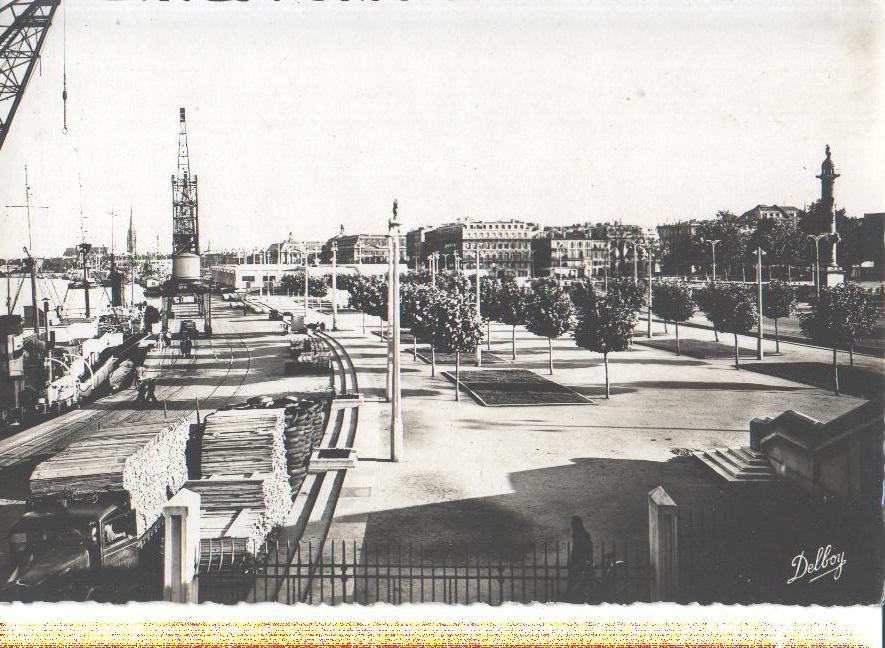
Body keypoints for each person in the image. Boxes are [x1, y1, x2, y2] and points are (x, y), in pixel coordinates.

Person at [566, 515, 594, 602]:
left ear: (577, 524)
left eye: (573, 523)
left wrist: (578, 561)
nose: (571, 525)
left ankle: (574, 599)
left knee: (577, 584)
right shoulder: (579, 533)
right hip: (578, 562)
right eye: (572, 523)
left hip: (579, 563)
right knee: (576, 584)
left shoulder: (581, 534)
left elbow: (582, 549)